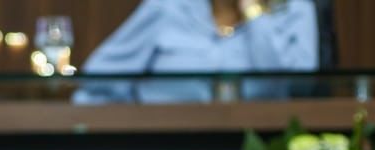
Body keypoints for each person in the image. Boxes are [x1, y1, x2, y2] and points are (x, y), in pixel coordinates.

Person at [75, 0, 318, 103]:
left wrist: (254, 11)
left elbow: (296, 86)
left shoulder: (294, 9)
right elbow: (97, 79)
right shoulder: (169, 7)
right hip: (162, 146)